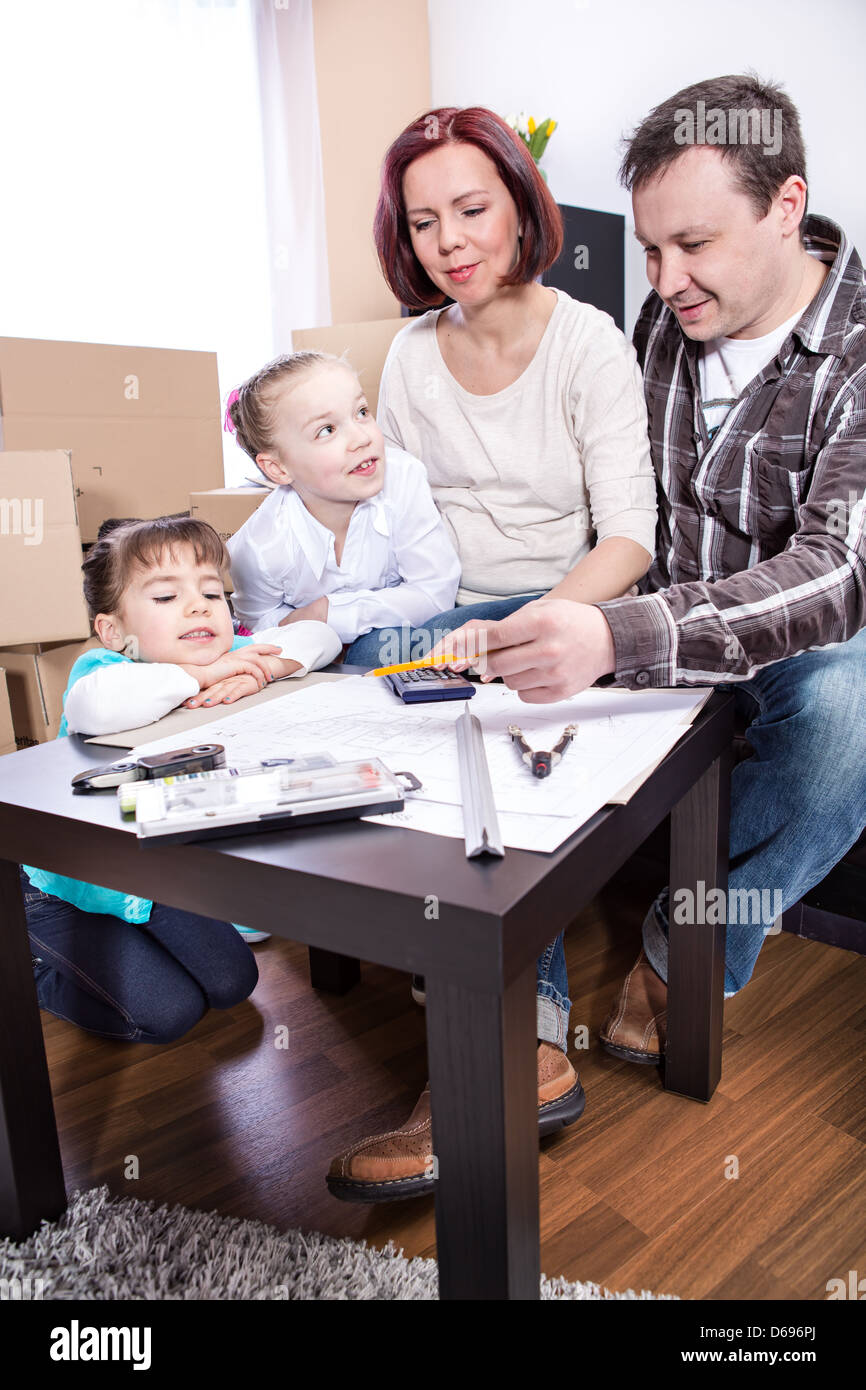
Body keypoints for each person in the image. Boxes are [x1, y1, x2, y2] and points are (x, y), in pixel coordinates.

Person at [437, 74, 866, 1068]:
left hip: (798, 648)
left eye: (693, 244)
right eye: (648, 247)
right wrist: (552, 612)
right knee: (445, 656)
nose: (664, 277)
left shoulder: (855, 351)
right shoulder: (659, 325)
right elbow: (621, 507)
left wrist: (615, 637)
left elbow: (837, 571)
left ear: (785, 207)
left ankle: (684, 946)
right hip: (648, 608)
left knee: (846, 725)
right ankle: (521, 1022)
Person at [326, 106, 658, 1203]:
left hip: (557, 597)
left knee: (496, 736)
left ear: (520, 207)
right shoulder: (411, 353)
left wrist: (530, 625)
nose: (448, 241)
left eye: (470, 209)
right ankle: (505, 1040)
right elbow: (396, 527)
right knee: (387, 721)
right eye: (422, 223)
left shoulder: (588, 341)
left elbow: (626, 537)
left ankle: (509, 1043)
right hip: (434, 612)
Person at [22, 514, 342, 1043]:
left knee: (231, 984)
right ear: (114, 631)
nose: (198, 606)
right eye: (166, 598)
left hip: (161, 878)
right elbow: (95, 706)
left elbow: (320, 634)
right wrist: (199, 676)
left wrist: (270, 666)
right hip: (67, 884)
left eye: (212, 593)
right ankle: (31, 970)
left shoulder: (229, 653)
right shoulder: (103, 671)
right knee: (167, 1014)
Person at [224, 351, 461, 652]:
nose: (362, 437)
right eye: (327, 430)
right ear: (278, 468)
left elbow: (435, 594)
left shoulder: (403, 477)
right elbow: (262, 628)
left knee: (468, 630)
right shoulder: (258, 549)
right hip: (325, 660)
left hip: (409, 634)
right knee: (375, 651)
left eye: (361, 412)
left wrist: (329, 613)